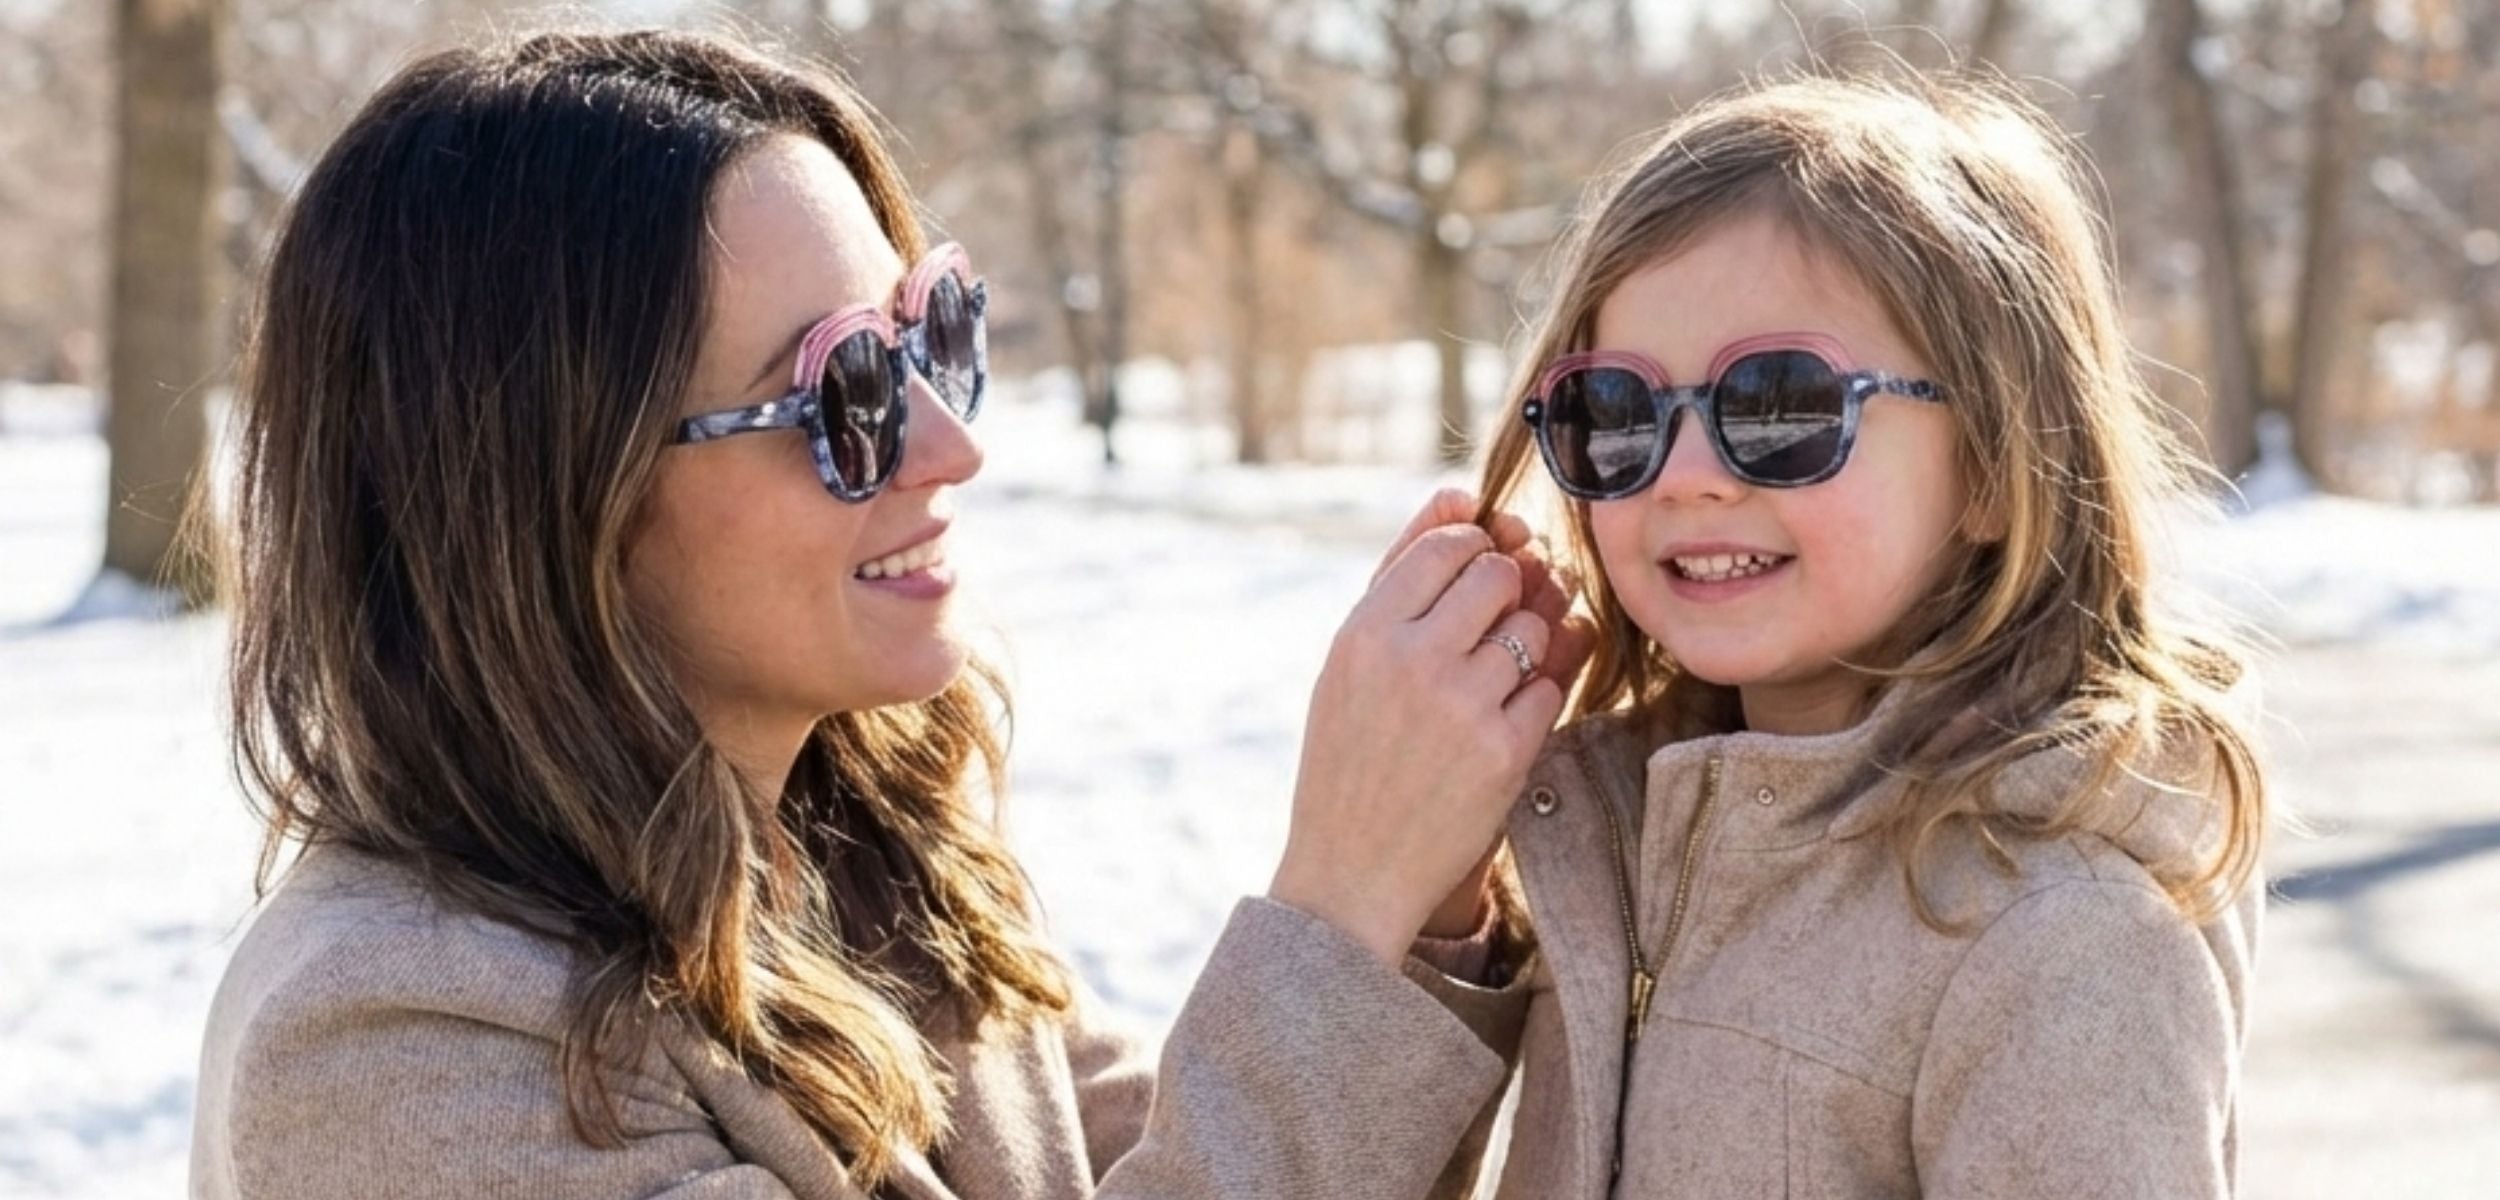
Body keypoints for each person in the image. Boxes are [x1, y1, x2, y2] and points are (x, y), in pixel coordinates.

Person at [190, 28, 1582, 1200]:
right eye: (845, 394)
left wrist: (1422, 907)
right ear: (543, 492)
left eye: (935, 337)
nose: (947, 444)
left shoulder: (866, 870)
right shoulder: (385, 1046)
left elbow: (1174, 1158)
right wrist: (1337, 914)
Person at [1460, 71, 2269, 1197]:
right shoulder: (1615, 847)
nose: (1686, 479)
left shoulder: (2064, 947)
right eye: (1618, 414)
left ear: (1994, 462)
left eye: (1778, 407)